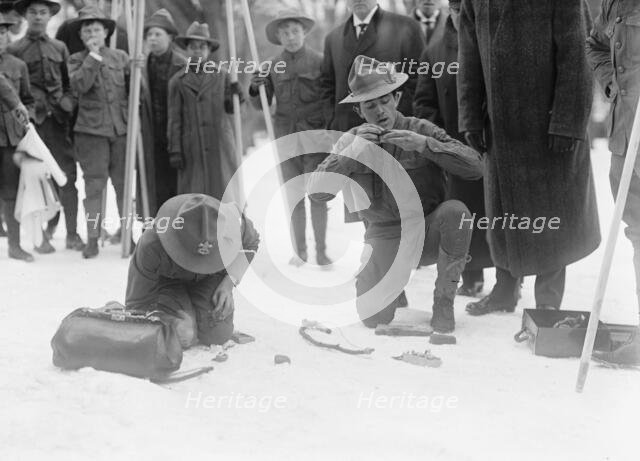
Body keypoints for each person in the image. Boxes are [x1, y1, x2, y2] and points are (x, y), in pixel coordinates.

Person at [308, 55, 483, 333]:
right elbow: (316, 194)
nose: (379, 110)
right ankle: (393, 283)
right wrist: (352, 153)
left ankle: (443, 301)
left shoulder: (420, 129)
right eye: (370, 104)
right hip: (385, 236)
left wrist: (426, 146)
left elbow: (476, 166)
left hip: (426, 231)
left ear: (397, 98)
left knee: (456, 213)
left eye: (385, 100)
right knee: (372, 318)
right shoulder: (351, 139)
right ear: (359, 111)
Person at [458, 0, 600, 315]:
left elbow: (577, 56)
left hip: (549, 129)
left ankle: (548, 300)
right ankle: (505, 290)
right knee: (505, 214)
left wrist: (566, 121)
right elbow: (468, 57)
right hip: (499, 127)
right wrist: (469, 118)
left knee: (552, 213)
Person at [413, 0, 493, 298]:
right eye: (457, 11)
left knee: (496, 214)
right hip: (453, 150)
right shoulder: (434, 52)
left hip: (488, 145)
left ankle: (509, 281)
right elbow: (424, 100)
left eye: (466, 10)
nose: (462, 17)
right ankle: (470, 276)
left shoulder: (489, 40)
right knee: (463, 213)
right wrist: (437, 140)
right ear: (451, 13)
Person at [250, 9, 331, 267]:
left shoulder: (320, 61)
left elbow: (330, 99)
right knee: (293, 197)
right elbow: (259, 104)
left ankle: (321, 251)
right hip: (286, 140)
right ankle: (300, 252)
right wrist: (255, 87)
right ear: (279, 37)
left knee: (317, 196)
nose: (291, 37)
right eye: (284, 33)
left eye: (295, 31)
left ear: (304, 32)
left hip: (316, 140)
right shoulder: (272, 66)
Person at [126, 193, 260, 348]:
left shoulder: (232, 223)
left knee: (217, 334)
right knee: (183, 334)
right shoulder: (152, 243)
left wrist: (229, 282)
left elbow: (251, 243)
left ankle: (193, 312)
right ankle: (184, 313)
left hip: (210, 278)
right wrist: (166, 320)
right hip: (168, 283)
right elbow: (137, 305)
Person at [587, 0, 640, 366]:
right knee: (638, 233)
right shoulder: (612, 4)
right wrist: (612, 82)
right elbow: (596, 45)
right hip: (626, 143)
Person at [9, 0, 84, 253]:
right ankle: (40, 237)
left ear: (49, 17)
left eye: (43, 13)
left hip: (57, 124)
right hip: (30, 127)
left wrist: (67, 103)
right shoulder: (15, 49)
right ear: (25, 16)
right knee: (33, 179)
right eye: (33, 12)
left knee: (67, 177)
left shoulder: (59, 47)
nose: (38, 17)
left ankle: (72, 234)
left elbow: (68, 85)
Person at [68, 5, 129, 259]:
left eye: (97, 29)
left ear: (106, 32)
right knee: (94, 186)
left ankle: (128, 235)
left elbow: (135, 89)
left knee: (123, 185)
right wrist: (92, 57)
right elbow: (79, 85)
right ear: (82, 36)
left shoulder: (120, 57)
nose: (93, 33)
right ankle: (93, 238)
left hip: (120, 129)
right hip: (91, 133)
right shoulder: (76, 60)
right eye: (87, 30)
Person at [167, 22, 243, 202]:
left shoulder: (222, 75)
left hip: (220, 143)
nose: (197, 51)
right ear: (186, 50)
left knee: (225, 191)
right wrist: (175, 150)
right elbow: (174, 119)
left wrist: (236, 94)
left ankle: (229, 227)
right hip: (191, 146)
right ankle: (199, 228)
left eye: (202, 46)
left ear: (209, 50)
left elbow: (232, 109)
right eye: (192, 47)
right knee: (195, 195)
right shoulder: (177, 81)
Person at [139, 8, 186, 217]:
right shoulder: (141, 67)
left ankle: (178, 228)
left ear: (170, 37)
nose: (152, 39)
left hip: (178, 136)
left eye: (158, 34)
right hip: (151, 134)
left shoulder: (183, 65)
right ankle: (154, 227)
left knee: (177, 185)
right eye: (149, 35)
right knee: (153, 184)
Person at [0, 13, 35, 261]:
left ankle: (15, 244)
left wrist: (25, 122)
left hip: (10, 139)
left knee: (12, 192)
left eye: (2, 32)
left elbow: (27, 101)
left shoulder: (17, 65)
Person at [56, 0, 128, 55]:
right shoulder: (69, 27)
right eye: (108, 1)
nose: (112, 6)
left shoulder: (123, 35)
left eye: (118, 2)